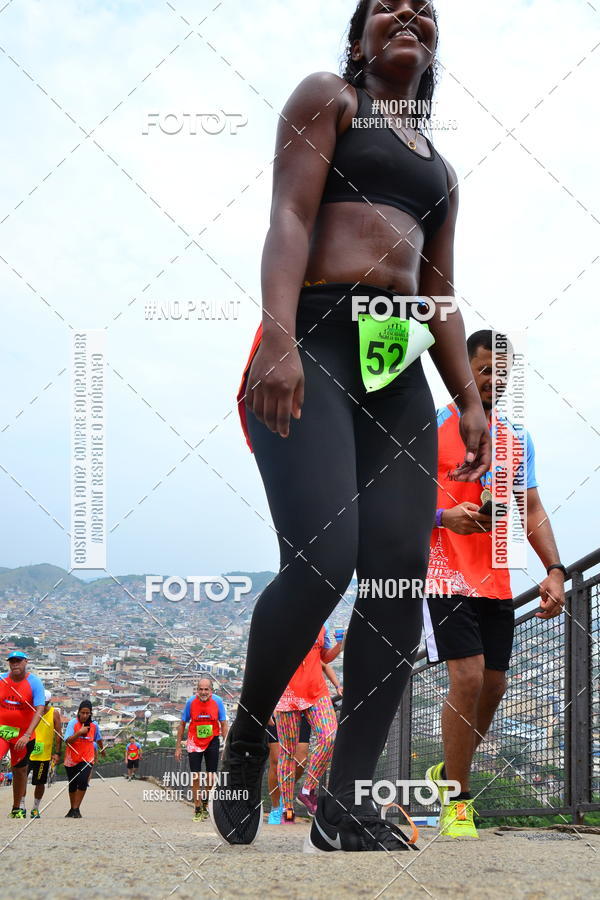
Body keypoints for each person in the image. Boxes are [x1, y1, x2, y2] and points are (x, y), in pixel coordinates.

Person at [211, 0, 491, 852]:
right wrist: (280, 338)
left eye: (424, 10)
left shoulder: (440, 171)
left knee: (399, 575)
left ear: (434, 42)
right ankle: (249, 735)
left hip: (393, 368)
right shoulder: (327, 97)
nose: (408, 14)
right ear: (361, 36)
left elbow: (437, 293)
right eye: (387, 8)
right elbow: (290, 219)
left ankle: (344, 804)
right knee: (324, 560)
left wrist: (468, 400)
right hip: (313, 346)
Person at [424, 330, 566, 839]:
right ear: (462, 369)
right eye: (485, 370)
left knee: (494, 684)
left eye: (503, 374)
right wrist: (443, 516)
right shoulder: (427, 426)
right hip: (440, 571)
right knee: (465, 678)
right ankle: (457, 803)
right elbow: (389, 498)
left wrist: (554, 569)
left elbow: (530, 508)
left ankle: (447, 771)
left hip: (495, 577)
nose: (494, 381)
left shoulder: (516, 438)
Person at [275, 624, 342, 825]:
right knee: (288, 752)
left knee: (329, 736)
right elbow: (268, 661)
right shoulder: (283, 619)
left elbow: (325, 657)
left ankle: (307, 789)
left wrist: (342, 643)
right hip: (287, 695)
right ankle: (287, 808)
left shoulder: (323, 623)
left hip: (316, 692)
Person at [0, 650, 46, 819]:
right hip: (3, 732)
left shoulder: (34, 682)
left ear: (25, 662)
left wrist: (27, 734)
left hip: (23, 736)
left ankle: (16, 807)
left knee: (19, 771)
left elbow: (40, 708)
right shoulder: (2, 679)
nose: (15, 664)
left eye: (18, 661)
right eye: (12, 661)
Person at [175, 678, 228, 822]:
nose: (203, 692)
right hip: (194, 741)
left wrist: (226, 746)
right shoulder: (190, 702)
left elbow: (223, 724)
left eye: (206, 689)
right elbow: (182, 724)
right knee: (196, 776)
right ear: (197, 690)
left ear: (211, 690)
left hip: (212, 741)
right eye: (201, 689)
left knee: (210, 776)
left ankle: (206, 804)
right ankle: (197, 807)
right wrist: (178, 746)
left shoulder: (217, 701)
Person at [23, 690, 62, 818]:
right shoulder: (30, 710)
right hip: (27, 751)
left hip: (43, 755)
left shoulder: (54, 713)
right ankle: (21, 806)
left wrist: (57, 753)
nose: (41, 705)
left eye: (44, 703)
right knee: (21, 779)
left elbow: (58, 734)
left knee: (40, 782)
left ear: (48, 702)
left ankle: (35, 808)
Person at [63, 699, 105, 818]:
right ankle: (73, 808)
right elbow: (67, 741)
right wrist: (79, 732)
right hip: (71, 759)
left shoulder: (94, 725)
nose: (85, 715)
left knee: (82, 781)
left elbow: (99, 739)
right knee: (72, 784)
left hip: (87, 758)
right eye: (83, 712)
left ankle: (76, 808)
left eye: (88, 713)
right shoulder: (72, 723)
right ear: (79, 712)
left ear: (91, 713)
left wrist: (102, 749)